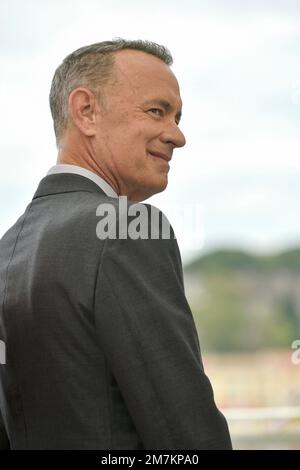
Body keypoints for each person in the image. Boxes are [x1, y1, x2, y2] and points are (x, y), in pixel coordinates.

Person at [0, 39, 232, 450]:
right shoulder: (127, 226)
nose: (178, 136)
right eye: (156, 111)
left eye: (177, 116)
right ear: (86, 111)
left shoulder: (8, 248)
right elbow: (185, 430)